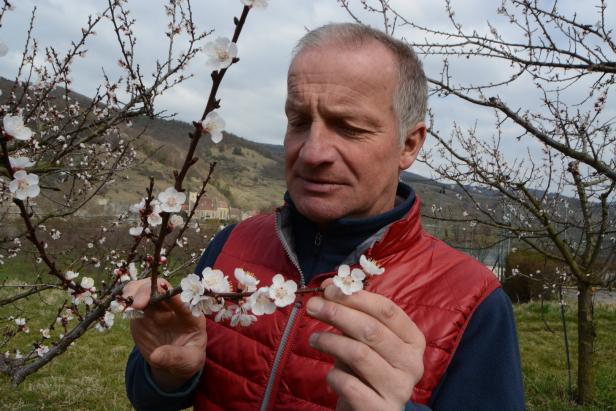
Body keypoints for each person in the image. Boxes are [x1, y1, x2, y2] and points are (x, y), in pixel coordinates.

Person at [124, 23, 525, 410]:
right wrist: (169, 377)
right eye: (299, 121)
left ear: (408, 144)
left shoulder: (472, 302)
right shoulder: (231, 246)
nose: (313, 153)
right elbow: (153, 396)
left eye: (348, 127)